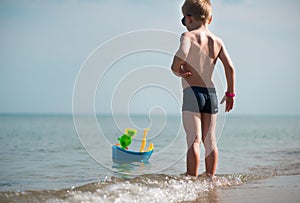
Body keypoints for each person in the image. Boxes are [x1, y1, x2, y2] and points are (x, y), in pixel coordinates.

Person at [171, 0, 235, 177]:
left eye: (184, 20)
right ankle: (210, 179)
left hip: (193, 92)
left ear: (188, 19)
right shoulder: (217, 41)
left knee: (194, 140)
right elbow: (230, 68)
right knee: (210, 141)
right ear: (210, 19)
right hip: (211, 94)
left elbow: (182, 54)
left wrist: (176, 69)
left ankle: (191, 179)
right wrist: (230, 93)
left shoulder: (188, 36)